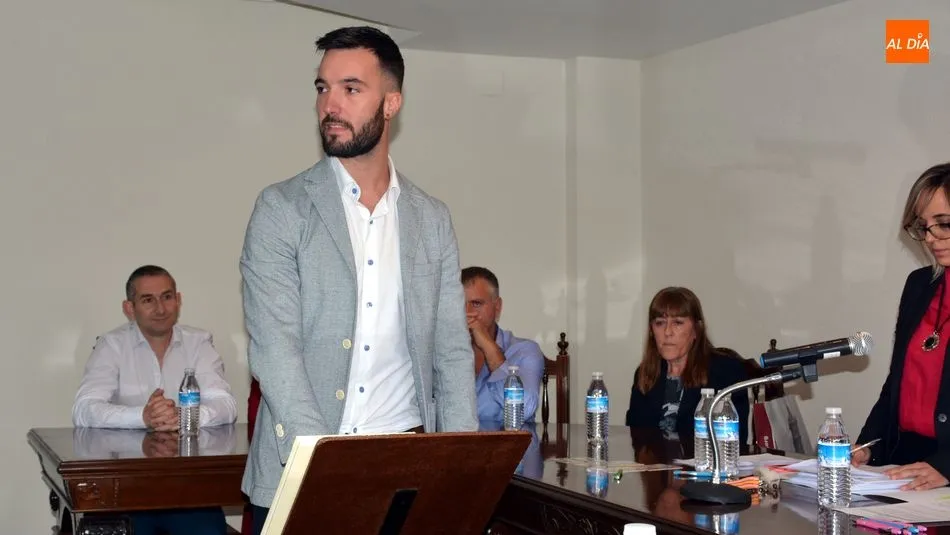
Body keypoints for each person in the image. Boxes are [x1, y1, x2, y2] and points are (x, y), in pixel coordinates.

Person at [240, 26, 478, 532]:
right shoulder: (282, 209)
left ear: (391, 103)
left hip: (407, 471)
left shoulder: (431, 219)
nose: (331, 104)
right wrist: (325, 466)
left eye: (351, 89)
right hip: (303, 469)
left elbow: (451, 352)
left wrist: (461, 471)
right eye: (322, 88)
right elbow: (274, 350)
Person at [72, 264, 236, 535]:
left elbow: (225, 404)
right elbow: (84, 409)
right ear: (129, 308)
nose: (160, 308)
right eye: (148, 300)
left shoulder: (199, 343)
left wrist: (184, 417)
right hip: (125, 491)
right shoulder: (111, 345)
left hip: (189, 492)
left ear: (178, 300)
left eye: (167, 297)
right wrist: (143, 416)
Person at [854, 162, 950, 491]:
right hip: (906, 458)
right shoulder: (919, 285)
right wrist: (869, 445)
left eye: (944, 225)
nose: (930, 239)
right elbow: (899, 379)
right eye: (922, 227)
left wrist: (947, 467)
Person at [625, 287, 749, 448]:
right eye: (660, 323)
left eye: (678, 322)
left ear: (696, 329)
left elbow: (734, 441)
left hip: (704, 469)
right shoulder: (645, 373)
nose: (667, 332)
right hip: (654, 470)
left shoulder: (725, 372)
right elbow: (636, 436)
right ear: (651, 330)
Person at [462, 266, 545, 422]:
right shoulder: (441, 354)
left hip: (508, 446)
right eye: (459, 304)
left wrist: (488, 347)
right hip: (453, 445)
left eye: (476, 303)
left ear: (497, 307)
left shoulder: (524, 351)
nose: (467, 312)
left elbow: (525, 410)